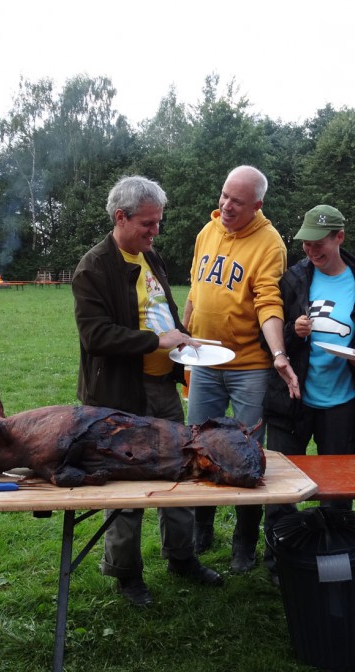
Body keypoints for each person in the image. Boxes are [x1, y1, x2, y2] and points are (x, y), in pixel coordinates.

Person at [72, 175, 223, 607]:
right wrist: (156, 343)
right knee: (126, 486)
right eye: (148, 224)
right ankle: (126, 573)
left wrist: (183, 337)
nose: (155, 232)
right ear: (121, 217)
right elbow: (95, 336)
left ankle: (182, 557)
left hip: (162, 388)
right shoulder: (94, 268)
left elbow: (163, 311)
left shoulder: (149, 257)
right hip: (120, 393)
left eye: (158, 223)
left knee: (179, 472)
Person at [183, 165, 300, 573]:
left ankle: (245, 541)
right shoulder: (207, 231)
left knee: (248, 452)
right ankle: (201, 529)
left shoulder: (270, 244)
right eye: (224, 195)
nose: (226, 206)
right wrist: (184, 336)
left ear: (257, 205)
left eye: (237, 201)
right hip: (203, 362)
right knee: (197, 444)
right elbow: (196, 291)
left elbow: (269, 302)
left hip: (249, 366)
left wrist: (279, 354)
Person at [262, 204, 355, 579]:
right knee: (282, 487)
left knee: (338, 489)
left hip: (343, 402)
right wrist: (292, 333)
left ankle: (337, 558)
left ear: (339, 237)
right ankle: (279, 563)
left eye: (320, 243)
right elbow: (268, 336)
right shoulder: (294, 280)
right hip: (293, 398)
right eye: (306, 245)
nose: (313, 251)